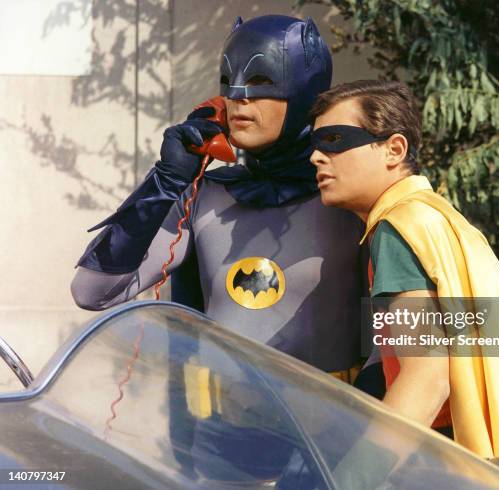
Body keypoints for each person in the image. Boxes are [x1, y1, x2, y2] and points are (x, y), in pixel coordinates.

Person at [71, 15, 378, 484]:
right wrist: (166, 180)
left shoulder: (348, 197)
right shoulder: (206, 195)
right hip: (221, 442)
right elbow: (93, 290)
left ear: (303, 92)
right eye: (228, 82)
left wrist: (367, 448)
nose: (238, 97)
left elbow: (399, 338)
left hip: (330, 446)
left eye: (260, 81)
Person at [309, 79, 499, 458]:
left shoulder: (398, 227)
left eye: (334, 140)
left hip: (446, 458)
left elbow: (427, 378)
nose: (316, 157)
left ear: (394, 149)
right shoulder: (439, 220)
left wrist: (357, 476)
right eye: (314, 145)